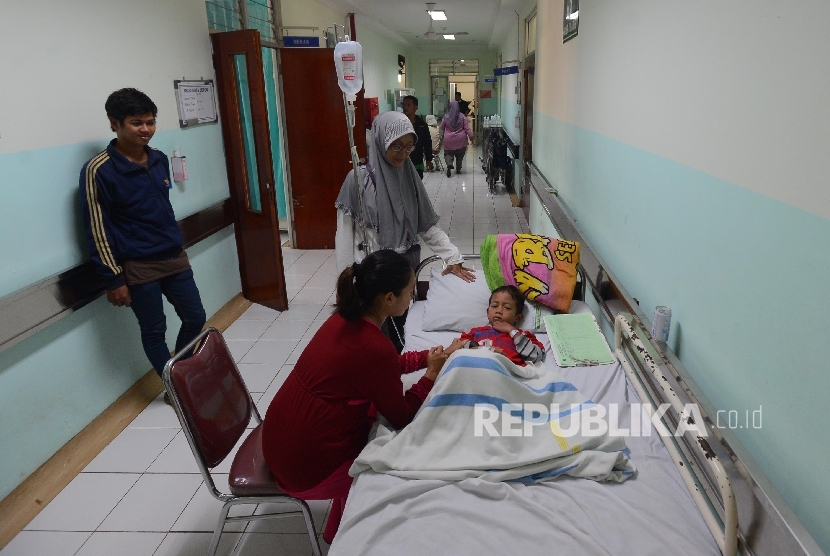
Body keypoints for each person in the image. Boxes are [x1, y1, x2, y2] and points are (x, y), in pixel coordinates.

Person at [261, 250, 457, 544]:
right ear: (389, 298)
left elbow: (379, 368)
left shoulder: (342, 320)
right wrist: (430, 376)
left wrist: (426, 356)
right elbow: (402, 414)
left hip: (277, 443)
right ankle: (351, 538)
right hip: (303, 468)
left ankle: (335, 528)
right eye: (410, 290)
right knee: (397, 469)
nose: (413, 297)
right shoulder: (372, 345)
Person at [79, 88, 206, 387]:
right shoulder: (99, 170)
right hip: (137, 265)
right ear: (115, 123)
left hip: (174, 256)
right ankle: (177, 389)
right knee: (154, 330)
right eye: (137, 122)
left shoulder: (159, 159)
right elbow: (97, 229)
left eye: (150, 122)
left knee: (195, 317)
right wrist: (114, 279)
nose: (146, 129)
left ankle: (181, 376)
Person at [335, 111, 475, 352]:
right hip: (372, 274)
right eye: (396, 146)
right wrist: (344, 283)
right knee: (371, 338)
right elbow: (345, 235)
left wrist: (452, 256)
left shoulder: (409, 177)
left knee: (398, 331)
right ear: (381, 142)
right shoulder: (358, 182)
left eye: (409, 147)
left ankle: (393, 374)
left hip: (403, 272)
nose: (403, 153)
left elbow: (426, 225)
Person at [457, 285, 545, 366]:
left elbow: (536, 357)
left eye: (506, 307)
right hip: (478, 369)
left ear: (518, 318)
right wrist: (485, 350)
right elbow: (457, 349)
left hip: (508, 374)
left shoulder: (524, 335)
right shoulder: (475, 332)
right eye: (494, 306)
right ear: (488, 312)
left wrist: (513, 331)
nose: (498, 310)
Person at [401, 95, 433, 179]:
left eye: (408, 105)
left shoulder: (422, 125)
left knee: (416, 187)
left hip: (417, 161)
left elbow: (427, 142)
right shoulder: (399, 123)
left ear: (416, 107)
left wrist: (429, 159)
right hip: (401, 161)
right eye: (403, 105)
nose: (405, 107)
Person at [440, 100, 475, 178]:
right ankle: (458, 169)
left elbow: (442, 127)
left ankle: (449, 164)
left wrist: (440, 139)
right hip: (461, 140)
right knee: (460, 156)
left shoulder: (446, 117)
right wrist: (472, 139)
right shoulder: (462, 117)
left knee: (448, 154)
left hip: (449, 140)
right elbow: (467, 129)